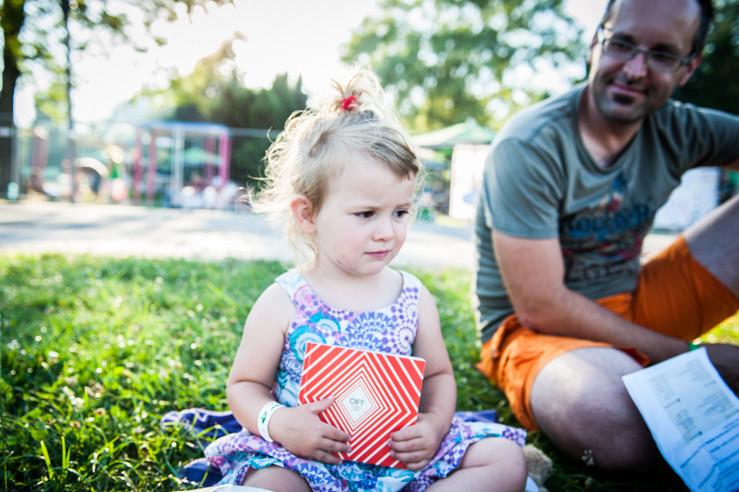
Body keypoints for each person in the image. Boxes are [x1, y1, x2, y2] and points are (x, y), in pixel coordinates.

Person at [204, 71, 528, 491]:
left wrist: (431, 425)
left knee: (504, 460)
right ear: (307, 215)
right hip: (306, 459)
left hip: (398, 459)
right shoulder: (283, 300)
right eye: (366, 214)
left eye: (400, 212)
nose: (387, 232)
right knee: (271, 485)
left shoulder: (412, 296)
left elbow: (439, 377)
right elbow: (245, 386)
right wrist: (279, 422)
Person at [474, 0, 739, 473]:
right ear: (596, 41)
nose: (635, 69)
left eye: (662, 54)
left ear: (688, 67)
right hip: (535, 331)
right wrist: (695, 361)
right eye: (622, 44)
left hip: (634, 304)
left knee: (655, 412)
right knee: (610, 418)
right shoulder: (530, 144)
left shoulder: (681, 126)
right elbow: (541, 305)